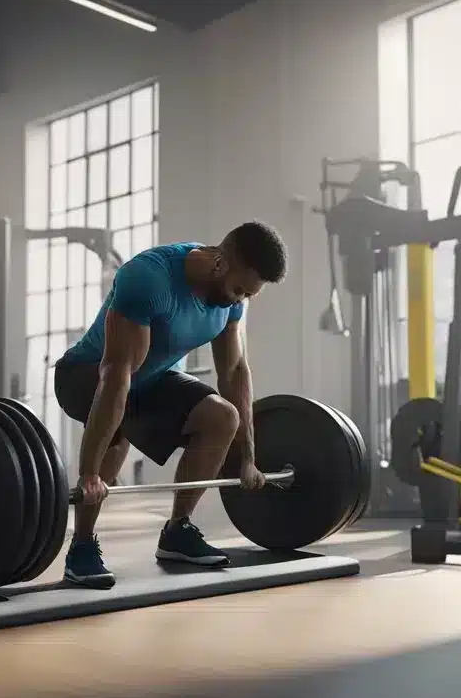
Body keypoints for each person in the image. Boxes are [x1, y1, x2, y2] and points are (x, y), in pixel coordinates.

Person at [53, 222, 288, 588]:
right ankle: (81, 546)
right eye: (240, 289)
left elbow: (235, 371)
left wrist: (248, 457)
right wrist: (89, 476)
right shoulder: (148, 278)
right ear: (220, 264)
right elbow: (116, 375)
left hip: (151, 380)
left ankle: (177, 532)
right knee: (118, 431)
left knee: (222, 418)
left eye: (248, 295)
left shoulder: (230, 302)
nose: (240, 298)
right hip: (86, 373)